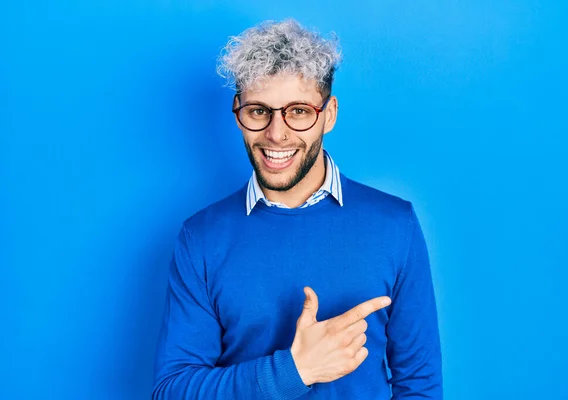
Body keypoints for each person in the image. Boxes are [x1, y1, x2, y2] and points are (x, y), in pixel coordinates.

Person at [152, 19, 442, 399]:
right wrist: (294, 370)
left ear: (329, 114)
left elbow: (419, 387)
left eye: (299, 111)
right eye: (259, 111)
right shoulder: (201, 238)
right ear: (237, 112)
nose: (276, 133)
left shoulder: (394, 225)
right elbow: (173, 391)